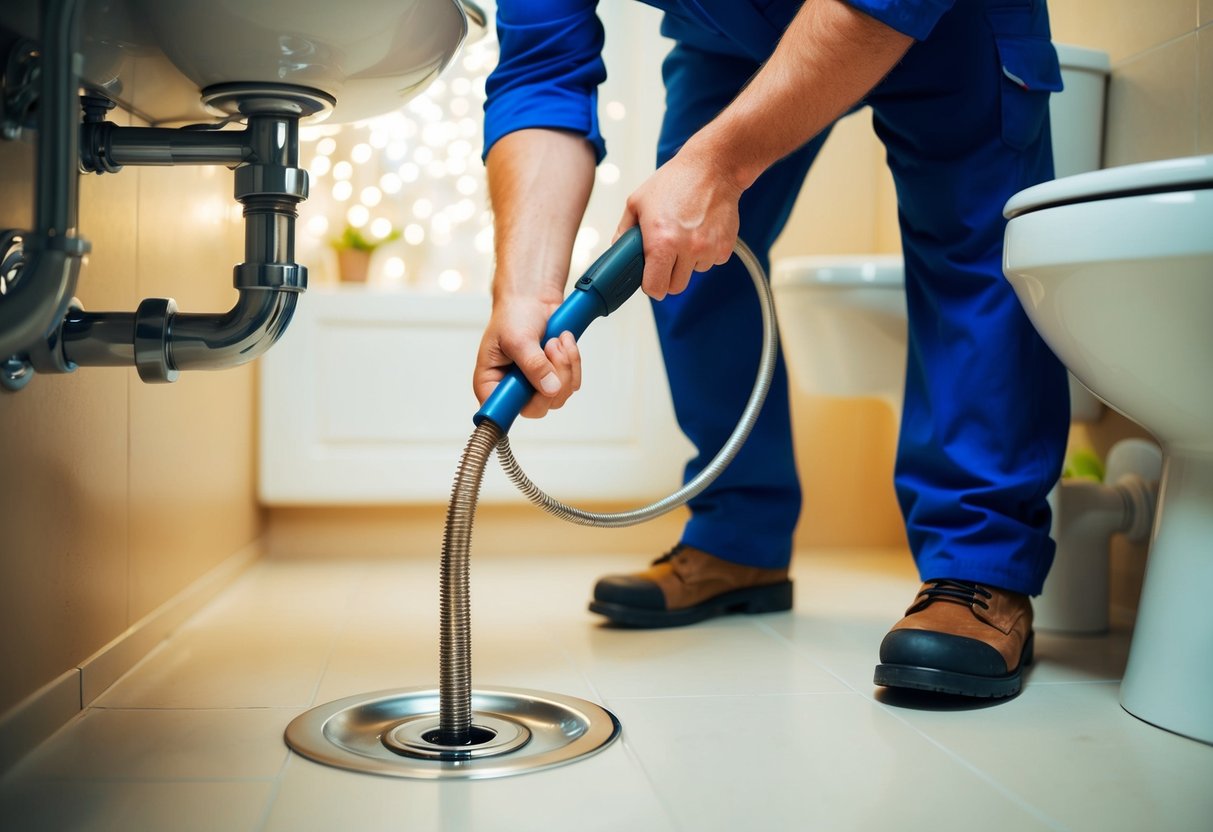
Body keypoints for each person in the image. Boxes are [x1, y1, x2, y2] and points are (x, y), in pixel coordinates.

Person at [473, 0, 1069, 700]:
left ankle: (979, 565)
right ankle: (738, 543)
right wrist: (523, 289)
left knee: (977, 266)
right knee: (681, 258)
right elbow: (543, 69)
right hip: (731, 31)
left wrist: (720, 163)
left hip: (950, 25)